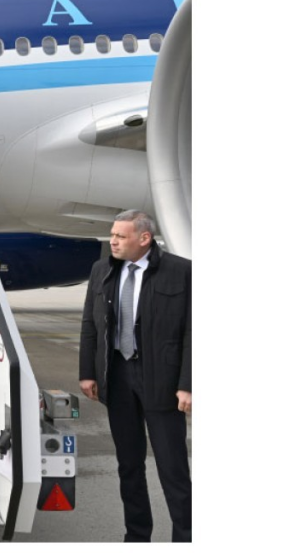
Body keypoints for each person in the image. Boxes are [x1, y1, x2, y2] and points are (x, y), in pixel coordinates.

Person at [78, 210, 191, 542]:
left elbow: (193, 331)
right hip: (118, 377)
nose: (112, 241)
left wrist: (187, 384)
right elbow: (89, 324)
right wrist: (87, 372)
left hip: (162, 381)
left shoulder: (181, 271)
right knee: (129, 466)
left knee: (173, 468)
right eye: (112, 234)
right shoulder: (101, 270)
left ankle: (186, 538)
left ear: (144, 238)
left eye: (120, 236)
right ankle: (137, 537)